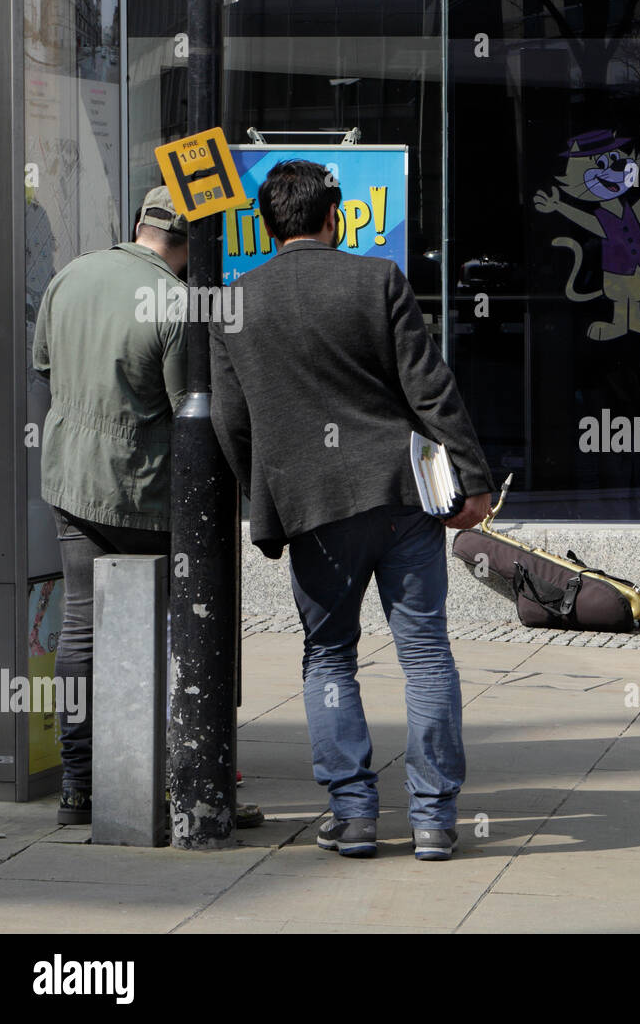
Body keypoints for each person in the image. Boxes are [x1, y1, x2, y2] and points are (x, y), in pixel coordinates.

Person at [209, 160, 493, 861]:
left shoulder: (235, 303)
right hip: (399, 494)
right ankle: (433, 817)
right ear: (332, 218)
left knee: (329, 656)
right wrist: (473, 477)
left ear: (267, 226)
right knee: (425, 654)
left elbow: (229, 420)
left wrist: (264, 492)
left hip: (315, 507)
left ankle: (355, 811)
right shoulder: (377, 280)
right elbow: (431, 387)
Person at [33, 186, 188, 825]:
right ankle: (177, 774)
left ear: (139, 225)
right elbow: (191, 414)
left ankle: (78, 785)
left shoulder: (71, 275)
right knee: (178, 632)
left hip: (71, 479)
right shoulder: (176, 302)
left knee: (81, 627)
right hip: (144, 490)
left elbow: (44, 364)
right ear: (189, 241)